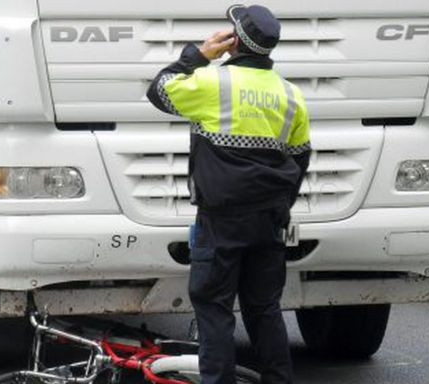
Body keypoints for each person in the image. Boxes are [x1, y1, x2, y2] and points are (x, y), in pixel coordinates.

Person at [146, 4, 311, 384]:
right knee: (264, 308)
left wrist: (198, 54)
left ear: (233, 41)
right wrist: (279, 207)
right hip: (269, 219)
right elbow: (301, 159)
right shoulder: (290, 95)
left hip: (221, 219)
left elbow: (158, 89)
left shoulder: (211, 85)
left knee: (214, 309)